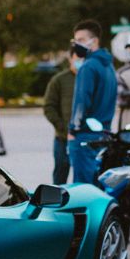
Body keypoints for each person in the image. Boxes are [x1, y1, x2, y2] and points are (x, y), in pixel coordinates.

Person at [68, 19, 117, 184]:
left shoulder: (88, 67)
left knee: (83, 188)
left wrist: (73, 130)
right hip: (104, 134)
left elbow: (81, 103)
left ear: (94, 41)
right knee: (98, 185)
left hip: (85, 136)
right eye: (75, 40)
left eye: (81, 40)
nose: (76, 44)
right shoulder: (109, 66)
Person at [43, 48, 80, 184]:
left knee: (83, 178)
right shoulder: (59, 80)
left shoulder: (90, 79)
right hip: (63, 138)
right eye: (77, 58)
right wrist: (63, 128)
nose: (80, 61)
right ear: (70, 59)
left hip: (84, 138)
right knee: (60, 175)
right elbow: (49, 107)